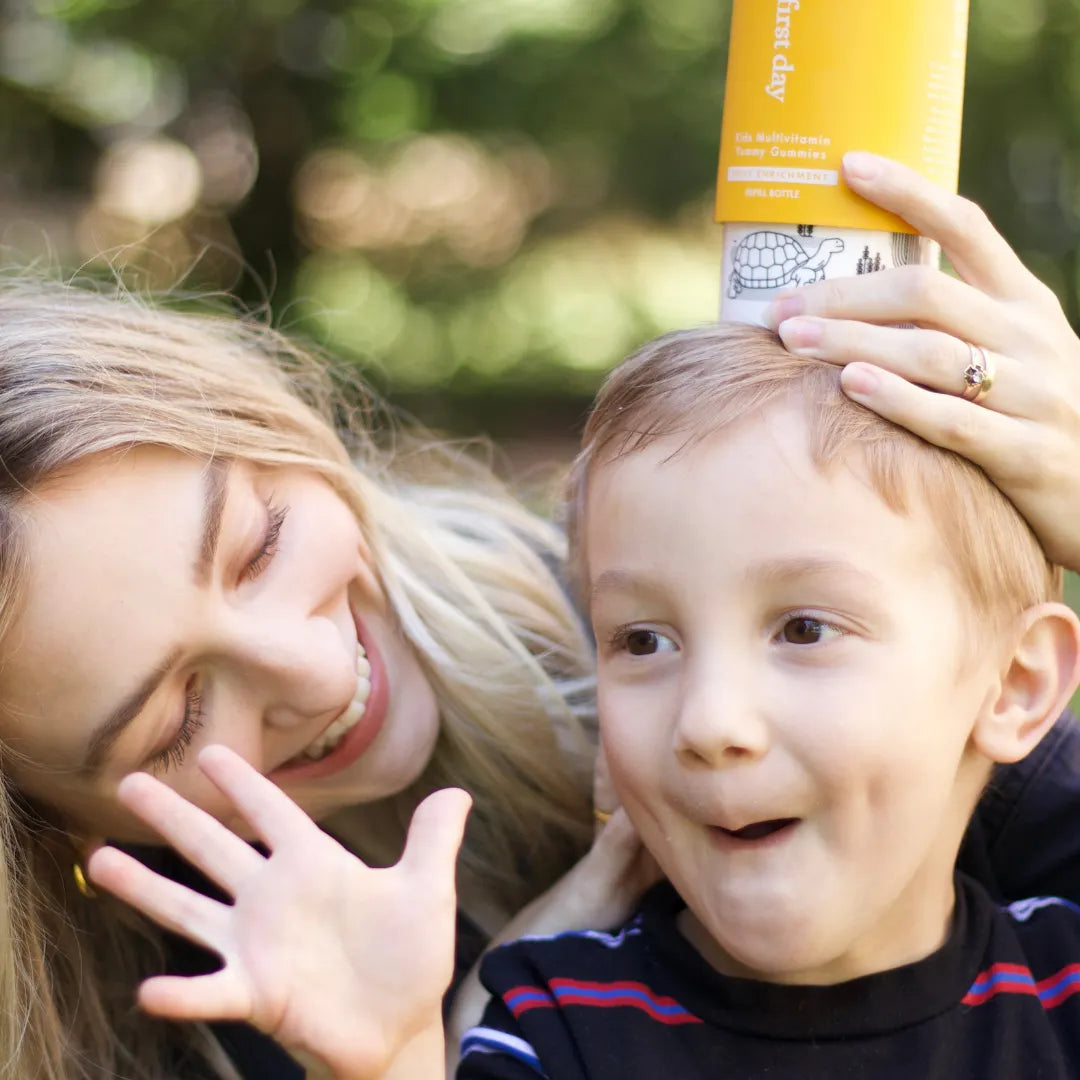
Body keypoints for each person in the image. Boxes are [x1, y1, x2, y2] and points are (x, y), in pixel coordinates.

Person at [1, 152, 1080, 1078]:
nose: (318, 673)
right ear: (66, 836)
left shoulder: (696, 590)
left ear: (282, 426)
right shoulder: (198, 1018)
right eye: (178, 718)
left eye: (260, 544)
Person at [453, 321, 1080, 1078]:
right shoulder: (551, 1026)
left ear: (1016, 685)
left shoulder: (1064, 991)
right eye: (644, 641)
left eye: (805, 629)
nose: (709, 722)